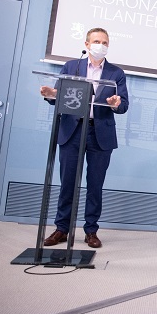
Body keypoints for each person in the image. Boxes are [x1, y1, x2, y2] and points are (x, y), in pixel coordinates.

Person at [40, 27, 128, 248]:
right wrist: (51, 96)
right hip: (73, 130)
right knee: (67, 183)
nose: (101, 46)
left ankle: (91, 231)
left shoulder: (116, 73)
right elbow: (59, 95)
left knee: (95, 185)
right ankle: (62, 229)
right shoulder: (72, 66)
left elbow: (123, 105)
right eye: (97, 41)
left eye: (105, 42)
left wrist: (116, 104)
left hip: (100, 134)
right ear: (87, 44)